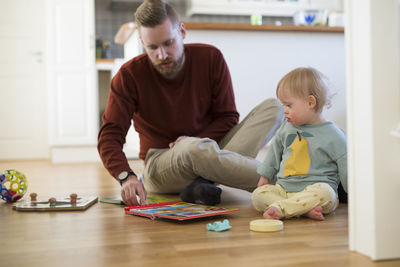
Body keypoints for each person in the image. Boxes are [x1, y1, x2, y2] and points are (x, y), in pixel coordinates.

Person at [97, 0, 283, 206]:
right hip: (162, 164)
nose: (162, 55)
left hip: (209, 148)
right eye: (152, 47)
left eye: (168, 43)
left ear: (182, 32)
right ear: (142, 41)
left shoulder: (211, 58)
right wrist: (126, 176)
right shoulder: (128, 76)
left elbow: (228, 117)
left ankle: (202, 183)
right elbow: (109, 135)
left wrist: (196, 139)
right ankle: (291, 184)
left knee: (275, 108)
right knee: (193, 149)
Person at [251, 67, 347, 221]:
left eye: (289, 105)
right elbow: (274, 151)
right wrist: (265, 176)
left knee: (326, 193)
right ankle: (300, 209)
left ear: (310, 102)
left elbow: (346, 165)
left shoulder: (335, 135)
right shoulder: (287, 128)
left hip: (315, 192)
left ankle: (283, 208)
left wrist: (355, 195)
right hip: (284, 190)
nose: (284, 111)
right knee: (257, 195)